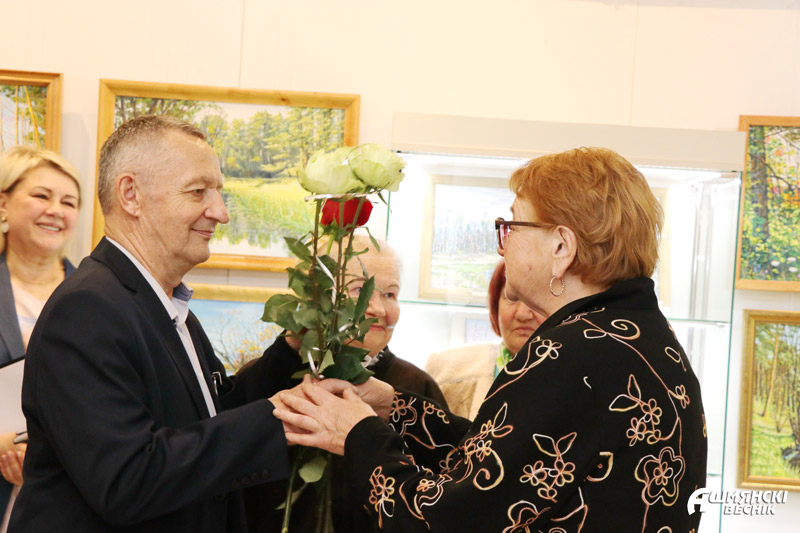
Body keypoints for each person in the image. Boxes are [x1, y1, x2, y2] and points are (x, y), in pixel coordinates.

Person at [273, 147, 708, 532]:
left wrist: (357, 435)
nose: (502, 246)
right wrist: (395, 409)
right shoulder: (640, 335)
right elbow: (505, 465)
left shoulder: (570, 355)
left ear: (561, 247)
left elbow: (447, 520)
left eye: (511, 225)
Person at [8, 116, 296, 533]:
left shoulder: (162, 303)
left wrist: (292, 351)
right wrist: (278, 422)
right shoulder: (87, 309)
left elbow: (210, 414)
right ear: (131, 195)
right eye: (198, 191)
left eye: (219, 192)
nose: (220, 212)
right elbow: (127, 480)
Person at [229, 235, 448, 533]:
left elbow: (439, 496)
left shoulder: (415, 389)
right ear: (317, 297)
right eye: (359, 289)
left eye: (390, 294)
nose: (378, 309)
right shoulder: (265, 376)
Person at [0, 145, 82, 531]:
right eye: (41, 196)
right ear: (3, 205)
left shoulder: (99, 297)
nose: (56, 210)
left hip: (73, 501)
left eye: (69, 202)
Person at [425, 259, 544, 419]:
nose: (522, 314)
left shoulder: (574, 380)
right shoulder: (444, 370)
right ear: (495, 306)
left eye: (536, 299)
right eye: (511, 297)